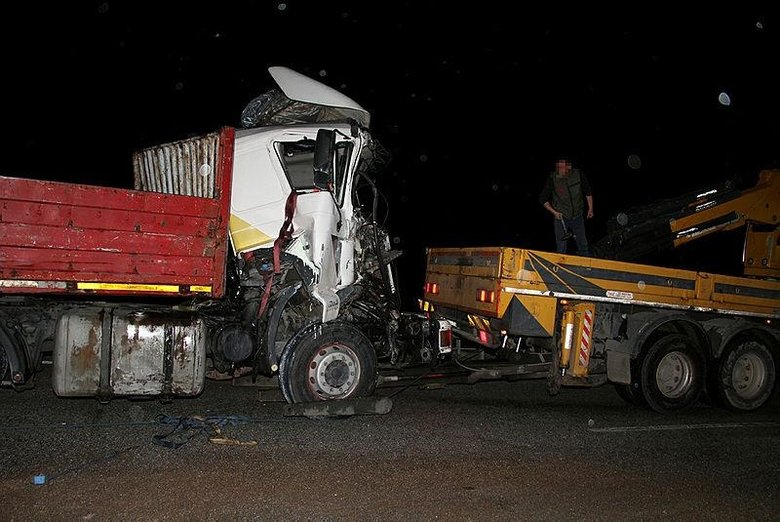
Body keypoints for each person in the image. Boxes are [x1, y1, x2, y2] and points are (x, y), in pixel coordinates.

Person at [538, 158, 594, 256]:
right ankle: (560, 268)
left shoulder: (578, 175)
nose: (561, 169)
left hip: (578, 216)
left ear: (569, 166)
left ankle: (586, 268)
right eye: (559, 167)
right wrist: (554, 212)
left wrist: (591, 209)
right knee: (561, 247)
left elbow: (588, 191)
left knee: (583, 245)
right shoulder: (553, 178)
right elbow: (543, 199)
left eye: (563, 166)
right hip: (561, 217)